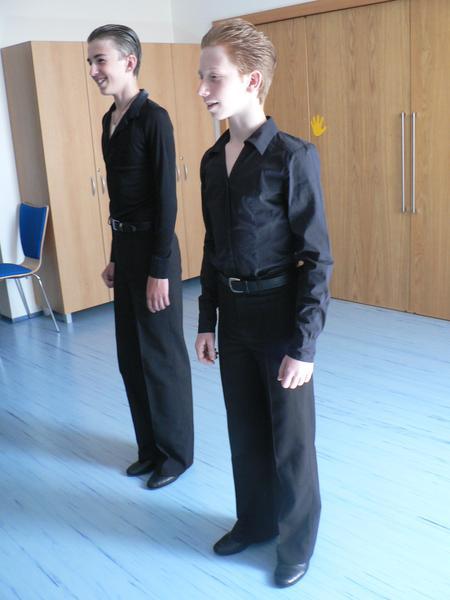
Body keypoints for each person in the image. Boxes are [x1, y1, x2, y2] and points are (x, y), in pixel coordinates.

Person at [195, 19, 333, 588]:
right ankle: (254, 522)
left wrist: (304, 346)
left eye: (214, 77)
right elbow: (212, 246)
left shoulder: (293, 157)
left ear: (251, 80)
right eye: (201, 77)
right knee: (245, 431)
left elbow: (317, 259)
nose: (202, 89)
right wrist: (206, 320)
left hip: (280, 318)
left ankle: (296, 543)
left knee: (291, 443)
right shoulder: (212, 161)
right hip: (234, 318)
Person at [87, 24, 193, 490]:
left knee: (161, 359)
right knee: (131, 357)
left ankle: (176, 455)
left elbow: (166, 200)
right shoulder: (109, 120)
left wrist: (159, 270)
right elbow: (120, 201)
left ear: (129, 61)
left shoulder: (155, 118)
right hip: (126, 250)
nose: (93, 70)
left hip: (155, 253)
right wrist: (115, 255)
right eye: (90, 62)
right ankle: (149, 449)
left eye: (100, 60)